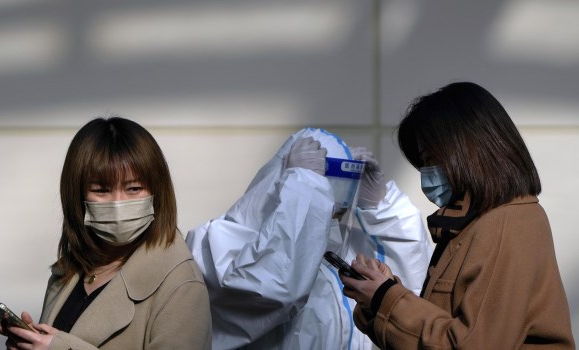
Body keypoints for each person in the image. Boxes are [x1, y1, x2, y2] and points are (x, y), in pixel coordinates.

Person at [340, 82, 575, 349]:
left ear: (470, 150)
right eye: (423, 163)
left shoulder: (506, 222)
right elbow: (446, 327)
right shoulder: (473, 225)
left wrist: (386, 298)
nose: (427, 173)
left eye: (432, 160)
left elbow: (473, 344)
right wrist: (381, 295)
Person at [186, 127, 432, 349]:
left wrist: (384, 209)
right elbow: (273, 288)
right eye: (322, 187)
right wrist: (303, 188)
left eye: (340, 189)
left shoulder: (350, 247)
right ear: (285, 181)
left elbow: (414, 292)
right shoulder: (218, 243)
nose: (331, 205)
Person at [0, 116, 212, 349]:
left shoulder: (180, 283)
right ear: (77, 195)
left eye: (134, 189)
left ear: (157, 192)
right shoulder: (71, 269)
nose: (118, 203)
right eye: (101, 190)